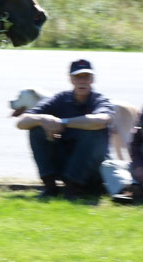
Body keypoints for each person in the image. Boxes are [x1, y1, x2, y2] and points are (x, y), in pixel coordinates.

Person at [15, 58, 113, 198]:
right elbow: (21, 122)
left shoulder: (99, 100)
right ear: (71, 79)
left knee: (94, 130)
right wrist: (43, 119)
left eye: (86, 76)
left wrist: (63, 122)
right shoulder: (61, 99)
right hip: (67, 163)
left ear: (92, 79)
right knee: (36, 129)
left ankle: (73, 187)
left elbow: (101, 120)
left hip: (92, 171)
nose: (82, 81)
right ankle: (50, 187)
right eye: (77, 77)